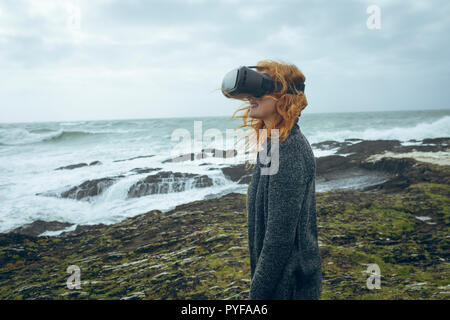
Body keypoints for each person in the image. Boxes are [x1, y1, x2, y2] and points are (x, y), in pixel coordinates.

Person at [232, 59, 322, 300]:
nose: (251, 95)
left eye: (261, 87)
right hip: (282, 283)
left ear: (284, 97)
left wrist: (256, 297)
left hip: (289, 287)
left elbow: (278, 241)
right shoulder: (274, 143)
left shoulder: (288, 149)